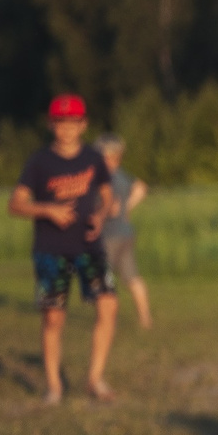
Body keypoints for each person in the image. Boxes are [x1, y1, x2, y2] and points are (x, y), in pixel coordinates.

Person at [7, 94, 118, 403]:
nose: (67, 129)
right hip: (51, 249)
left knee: (108, 306)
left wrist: (101, 213)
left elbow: (108, 195)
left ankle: (95, 379)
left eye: (73, 122)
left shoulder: (94, 159)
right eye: (60, 123)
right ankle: (54, 385)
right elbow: (15, 204)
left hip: (89, 247)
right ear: (50, 124)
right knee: (53, 318)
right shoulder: (39, 161)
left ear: (83, 125)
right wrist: (47, 210)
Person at [95, 134, 152, 330]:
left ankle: (107, 319)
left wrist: (116, 208)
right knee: (132, 277)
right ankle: (145, 318)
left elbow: (110, 206)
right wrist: (127, 208)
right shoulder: (121, 175)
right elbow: (141, 188)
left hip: (109, 235)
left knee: (104, 279)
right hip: (126, 233)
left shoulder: (106, 179)